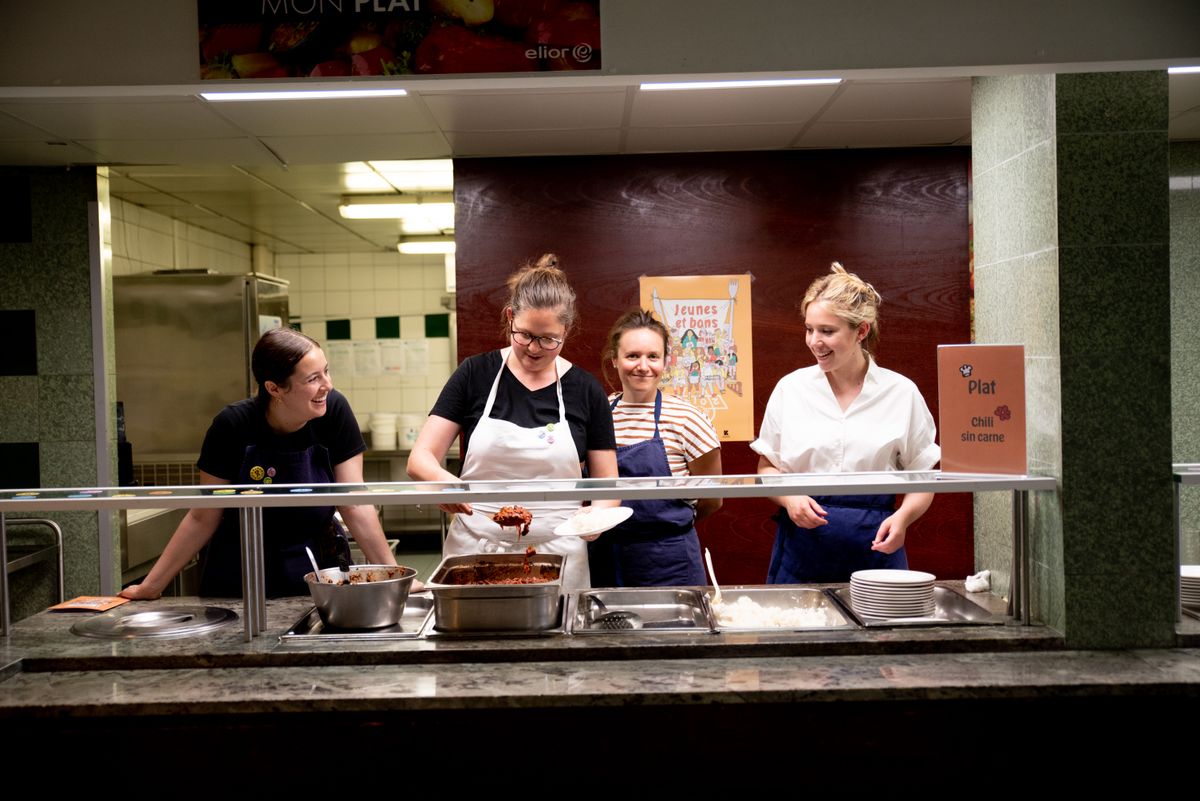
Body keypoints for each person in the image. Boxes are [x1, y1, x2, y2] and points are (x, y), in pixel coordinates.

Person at [120, 328, 396, 599]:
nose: (327, 385)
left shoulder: (333, 411)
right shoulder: (232, 426)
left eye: (326, 371)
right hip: (241, 573)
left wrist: (394, 578)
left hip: (316, 570)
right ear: (274, 388)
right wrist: (152, 586)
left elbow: (354, 501)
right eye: (313, 378)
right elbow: (203, 516)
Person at [407, 253, 618, 589]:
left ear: (566, 332)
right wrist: (441, 480)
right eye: (524, 335)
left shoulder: (585, 390)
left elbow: (608, 485)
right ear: (509, 318)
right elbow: (419, 459)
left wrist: (597, 517)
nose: (534, 348)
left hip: (559, 554)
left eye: (549, 339)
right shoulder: (474, 374)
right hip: (474, 549)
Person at [751, 262, 940, 584]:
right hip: (802, 547)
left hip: (875, 542)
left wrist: (903, 519)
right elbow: (766, 467)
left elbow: (924, 475)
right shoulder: (791, 388)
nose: (814, 341)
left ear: (861, 330)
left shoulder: (901, 392)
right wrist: (789, 498)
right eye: (809, 329)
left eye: (827, 331)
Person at [588, 309, 723, 587]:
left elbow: (713, 499)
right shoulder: (598, 415)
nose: (643, 365)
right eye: (632, 356)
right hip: (607, 557)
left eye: (653, 356)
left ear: (665, 361)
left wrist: (669, 529)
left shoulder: (688, 419)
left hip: (670, 561)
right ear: (615, 359)